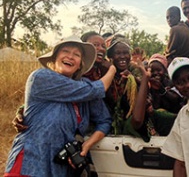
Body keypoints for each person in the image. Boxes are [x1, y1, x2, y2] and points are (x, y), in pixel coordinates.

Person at [5, 36, 116, 176]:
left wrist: (86, 145)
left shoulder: (84, 88)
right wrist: (112, 70)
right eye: (65, 51)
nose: (70, 56)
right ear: (55, 57)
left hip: (59, 169)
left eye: (76, 54)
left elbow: (104, 121)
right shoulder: (41, 77)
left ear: (80, 63)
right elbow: (96, 89)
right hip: (31, 163)